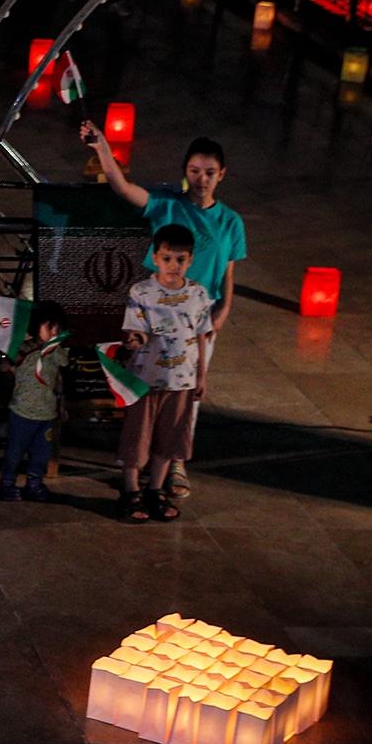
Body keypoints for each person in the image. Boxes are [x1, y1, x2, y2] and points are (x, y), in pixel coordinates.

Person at [80, 121, 244, 502]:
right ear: (185, 172)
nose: (202, 180)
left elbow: (229, 271)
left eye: (209, 172)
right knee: (147, 390)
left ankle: (175, 463)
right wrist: (102, 147)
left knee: (188, 392)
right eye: (194, 171)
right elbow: (122, 188)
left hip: (198, 319)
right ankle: (137, 467)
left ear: (222, 174)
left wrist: (222, 312)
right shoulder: (167, 205)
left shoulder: (231, 222)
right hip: (157, 315)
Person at [115, 225, 213, 524]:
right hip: (145, 379)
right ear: (156, 257)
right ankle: (131, 489)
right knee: (138, 435)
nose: (174, 266)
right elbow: (135, 329)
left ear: (190, 260)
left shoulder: (198, 294)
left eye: (180, 260)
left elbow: (201, 335)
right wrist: (134, 341)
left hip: (181, 380)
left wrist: (201, 376)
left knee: (170, 436)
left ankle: (156, 488)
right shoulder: (142, 292)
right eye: (167, 258)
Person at [0, 303, 70, 503]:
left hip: (47, 413)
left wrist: (62, 404)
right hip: (22, 410)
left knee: (41, 454)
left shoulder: (57, 351)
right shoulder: (24, 347)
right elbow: (4, 365)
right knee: (15, 452)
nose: (54, 332)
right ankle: (7, 484)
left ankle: (34, 484)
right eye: (49, 327)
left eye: (57, 329)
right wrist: (25, 350)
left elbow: (60, 376)